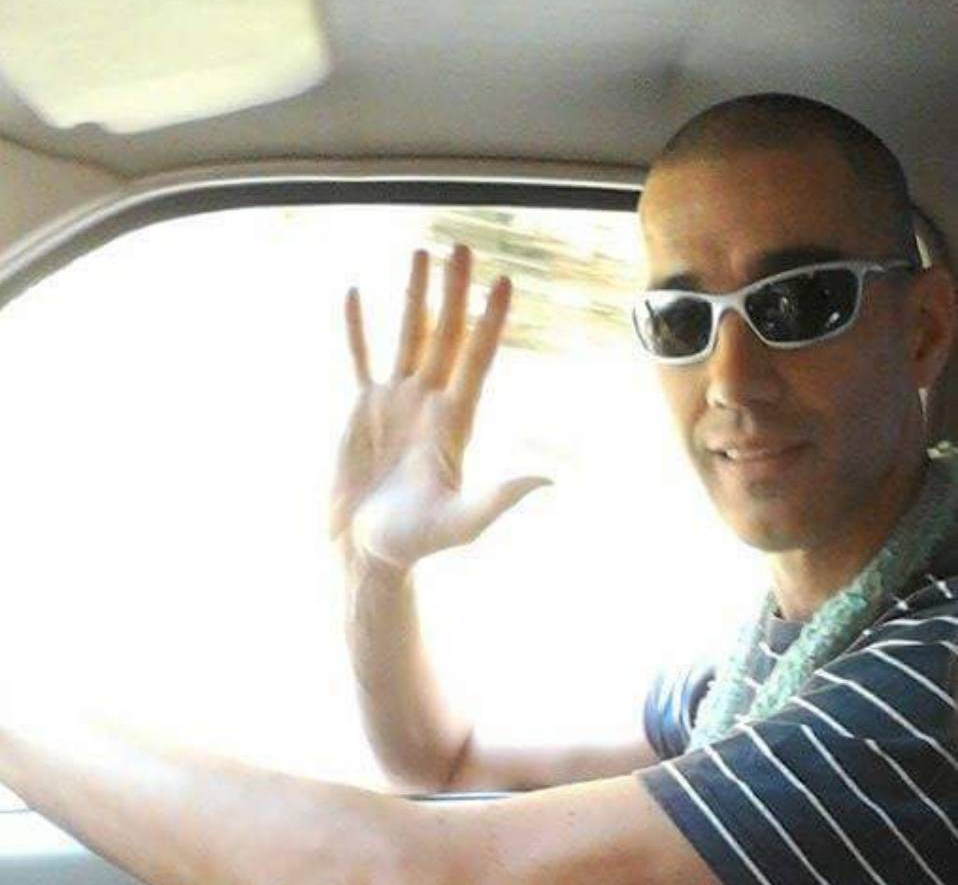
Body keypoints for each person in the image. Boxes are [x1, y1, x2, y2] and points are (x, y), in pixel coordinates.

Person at [0, 92, 955, 884]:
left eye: (798, 302)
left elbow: (434, 874)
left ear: (922, 332)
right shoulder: (758, 666)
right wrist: (375, 566)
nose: (731, 381)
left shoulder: (933, 680)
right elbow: (442, 760)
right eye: (680, 318)